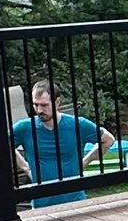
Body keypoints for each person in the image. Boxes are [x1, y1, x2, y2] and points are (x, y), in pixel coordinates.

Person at [11, 76, 111, 206]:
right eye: (36, 105)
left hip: (75, 200)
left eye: (44, 105)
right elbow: (3, 146)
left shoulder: (77, 124)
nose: (39, 110)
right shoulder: (24, 128)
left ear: (57, 102)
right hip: (41, 203)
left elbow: (108, 140)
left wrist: (85, 161)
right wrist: (25, 168)